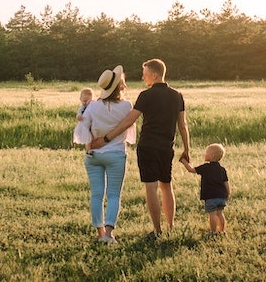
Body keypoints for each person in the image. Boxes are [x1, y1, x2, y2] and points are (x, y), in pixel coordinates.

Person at [89, 58, 190, 236]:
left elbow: (129, 121)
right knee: (167, 185)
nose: (143, 78)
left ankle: (157, 230)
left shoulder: (146, 95)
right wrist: (187, 149)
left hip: (148, 146)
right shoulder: (177, 95)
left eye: (145, 75)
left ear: (154, 75)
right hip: (167, 147)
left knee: (151, 187)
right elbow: (183, 125)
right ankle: (171, 227)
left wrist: (106, 138)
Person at [77, 66, 135, 244]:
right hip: (116, 154)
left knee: (96, 195)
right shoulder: (126, 106)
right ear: (120, 86)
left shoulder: (92, 106)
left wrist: (89, 146)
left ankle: (100, 233)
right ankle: (109, 234)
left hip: (93, 155)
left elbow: (82, 129)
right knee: (114, 195)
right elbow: (130, 129)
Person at [182, 143, 230, 236]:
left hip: (211, 197)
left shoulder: (205, 167)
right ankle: (222, 231)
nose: (205, 154)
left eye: (206, 152)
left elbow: (191, 170)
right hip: (221, 197)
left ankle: (213, 232)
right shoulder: (222, 169)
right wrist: (228, 194)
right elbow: (226, 183)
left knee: (212, 214)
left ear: (211, 156)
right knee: (220, 213)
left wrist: (184, 161)